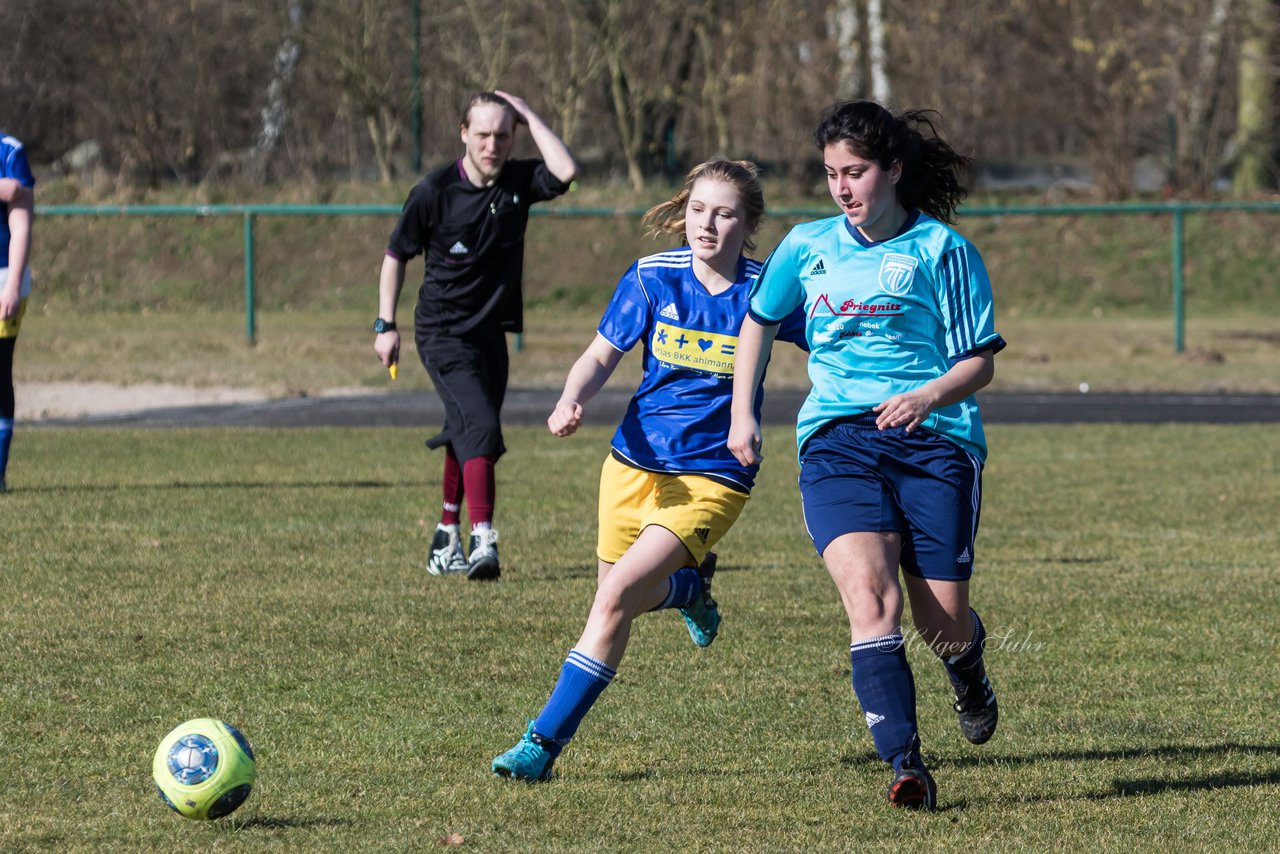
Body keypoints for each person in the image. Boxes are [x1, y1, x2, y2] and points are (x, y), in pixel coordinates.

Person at [728, 101, 1006, 810]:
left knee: (941, 624)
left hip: (933, 440)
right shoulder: (808, 245)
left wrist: (926, 397)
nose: (842, 188)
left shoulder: (942, 251)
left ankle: (967, 669)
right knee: (871, 601)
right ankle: (905, 765)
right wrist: (744, 414)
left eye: (855, 172)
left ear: (894, 170)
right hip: (837, 441)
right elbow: (759, 322)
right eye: (830, 174)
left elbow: (979, 365)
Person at [490, 158, 806, 782]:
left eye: (724, 214)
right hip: (632, 463)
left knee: (611, 599)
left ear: (749, 223)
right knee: (618, 600)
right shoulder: (651, 278)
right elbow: (601, 353)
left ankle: (540, 745)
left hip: (715, 474)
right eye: (697, 210)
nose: (706, 225)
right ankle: (689, 589)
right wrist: (572, 396)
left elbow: (836, 338)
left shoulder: (767, 290)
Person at [374, 91, 577, 580]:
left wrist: (528, 113)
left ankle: (445, 536)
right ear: (464, 133)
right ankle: (482, 538)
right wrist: (386, 324)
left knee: (466, 429)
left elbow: (566, 171)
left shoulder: (519, 182)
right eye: (482, 134)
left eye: (503, 134)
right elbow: (396, 254)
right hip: (442, 333)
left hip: (491, 335)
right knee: (481, 426)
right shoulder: (434, 191)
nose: (492, 144)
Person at [1, 132, 36, 494]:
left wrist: (11, 286)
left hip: (2, 280)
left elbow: (21, 222)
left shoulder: (10, 151)